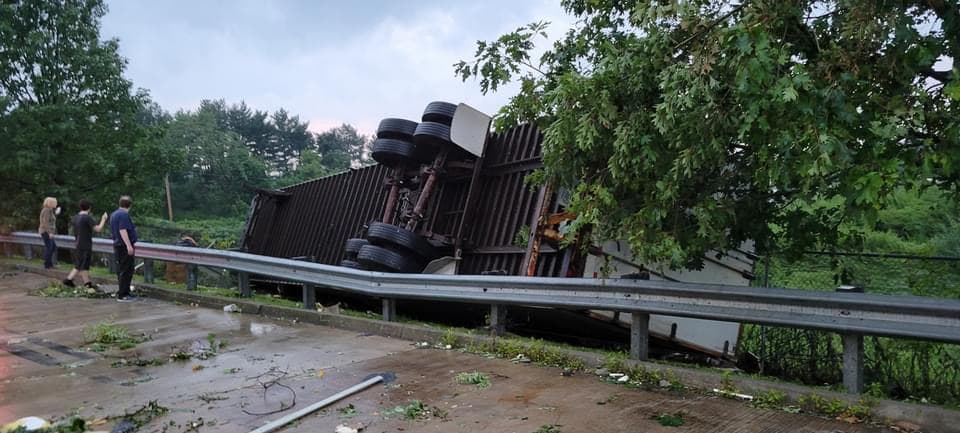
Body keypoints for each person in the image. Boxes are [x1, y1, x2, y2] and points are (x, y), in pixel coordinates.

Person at [63, 200, 108, 288]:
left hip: (78, 243)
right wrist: (103, 219)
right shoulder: (87, 218)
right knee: (83, 264)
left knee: (80, 263)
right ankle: (71, 280)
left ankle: (84, 282)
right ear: (89, 208)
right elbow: (98, 229)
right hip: (85, 244)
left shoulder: (75, 217)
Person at [110, 196, 138, 302]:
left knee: (121, 270)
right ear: (130, 205)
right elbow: (123, 230)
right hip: (123, 246)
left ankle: (123, 291)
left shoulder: (114, 214)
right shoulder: (124, 215)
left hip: (117, 245)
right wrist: (129, 245)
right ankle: (123, 294)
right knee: (127, 270)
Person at [38, 197, 60, 269]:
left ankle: (49, 264)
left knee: (52, 247)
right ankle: (47, 265)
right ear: (50, 203)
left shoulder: (50, 210)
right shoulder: (46, 210)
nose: (56, 204)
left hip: (48, 232)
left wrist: (56, 213)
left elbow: (51, 220)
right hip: (46, 232)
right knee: (50, 248)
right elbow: (46, 223)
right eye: (55, 202)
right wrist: (49, 232)